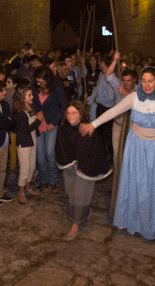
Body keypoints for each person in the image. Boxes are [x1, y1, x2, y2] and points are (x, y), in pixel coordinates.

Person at [80, 65, 155, 240]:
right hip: (136, 147)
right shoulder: (134, 97)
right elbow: (114, 111)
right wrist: (93, 124)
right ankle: (134, 221)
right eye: (143, 81)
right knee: (138, 185)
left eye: (150, 81)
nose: (146, 85)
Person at [56, 100, 113, 240]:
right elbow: (61, 147)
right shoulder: (64, 128)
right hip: (69, 166)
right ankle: (85, 213)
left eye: (74, 113)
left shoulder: (87, 129)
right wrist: (67, 162)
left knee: (80, 194)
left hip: (86, 167)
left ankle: (75, 226)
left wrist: (81, 164)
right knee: (71, 193)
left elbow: (93, 150)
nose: (70, 116)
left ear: (81, 114)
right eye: (68, 113)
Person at [32, 66, 68, 193]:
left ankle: (53, 181)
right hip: (39, 123)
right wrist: (36, 114)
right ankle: (44, 180)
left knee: (50, 153)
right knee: (40, 155)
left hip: (52, 124)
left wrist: (54, 121)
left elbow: (63, 106)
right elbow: (33, 103)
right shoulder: (35, 87)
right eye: (37, 81)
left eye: (41, 81)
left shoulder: (56, 88)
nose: (38, 83)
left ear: (47, 80)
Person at [13, 83, 42, 203]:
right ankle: (21, 192)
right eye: (29, 95)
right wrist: (39, 120)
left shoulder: (31, 108)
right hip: (24, 142)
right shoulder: (20, 113)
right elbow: (25, 129)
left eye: (31, 95)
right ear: (22, 98)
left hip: (32, 140)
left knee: (31, 166)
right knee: (24, 168)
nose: (32, 97)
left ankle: (28, 188)